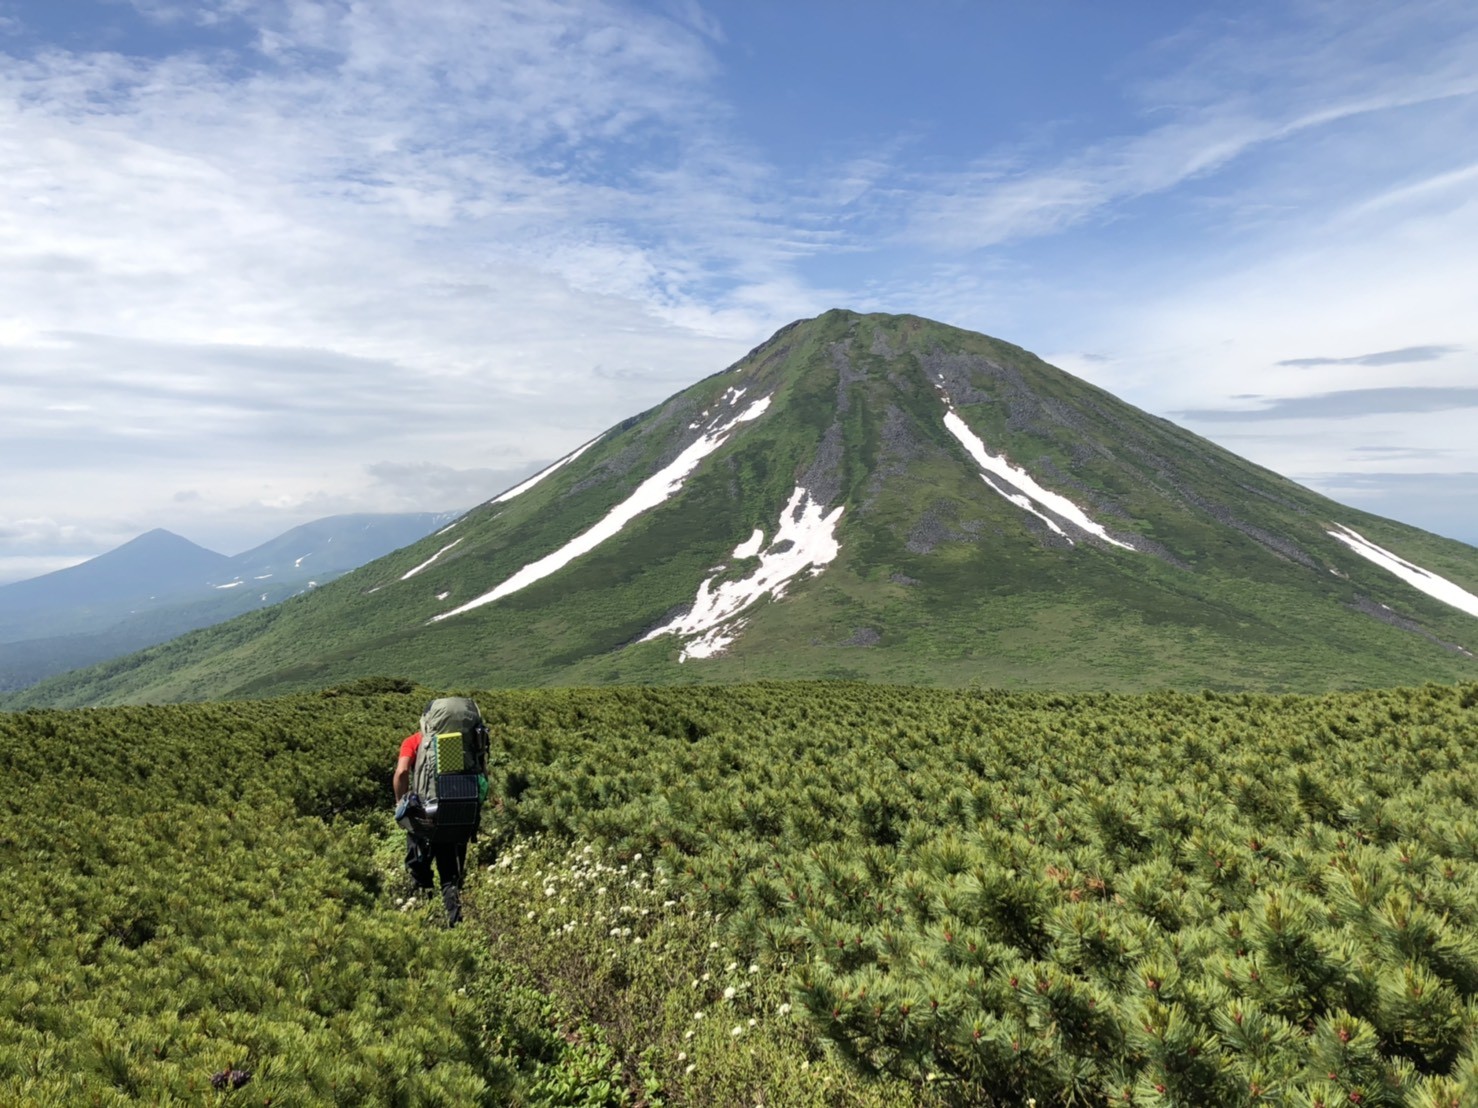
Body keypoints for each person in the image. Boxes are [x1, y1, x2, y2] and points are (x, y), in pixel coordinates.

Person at [393, 729, 468, 926]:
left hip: (421, 818)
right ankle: (457, 926)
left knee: (419, 869)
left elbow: (401, 772)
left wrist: (400, 804)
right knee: (450, 876)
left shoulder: (413, 741)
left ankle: (424, 921)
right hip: (451, 816)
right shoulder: (453, 741)